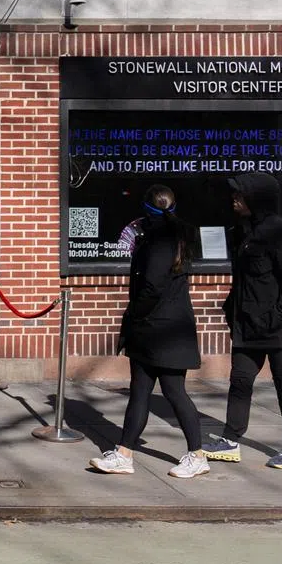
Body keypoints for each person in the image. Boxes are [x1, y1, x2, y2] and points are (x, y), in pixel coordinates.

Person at [90, 185, 209, 479]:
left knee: (173, 391)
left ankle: (197, 455)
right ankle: (124, 453)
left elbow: (152, 287)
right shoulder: (176, 235)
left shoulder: (160, 239)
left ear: (147, 207)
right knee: (140, 391)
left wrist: (133, 316)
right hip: (160, 328)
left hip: (161, 330)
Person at [202, 172, 282, 470]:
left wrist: (274, 319)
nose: (234, 199)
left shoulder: (280, 234)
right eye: (234, 194)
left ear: (256, 198)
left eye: (240, 194)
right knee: (239, 382)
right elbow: (242, 280)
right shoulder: (242, 231)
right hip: (248, 327)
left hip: (280, 330)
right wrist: (231, 309)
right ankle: (230, 440)